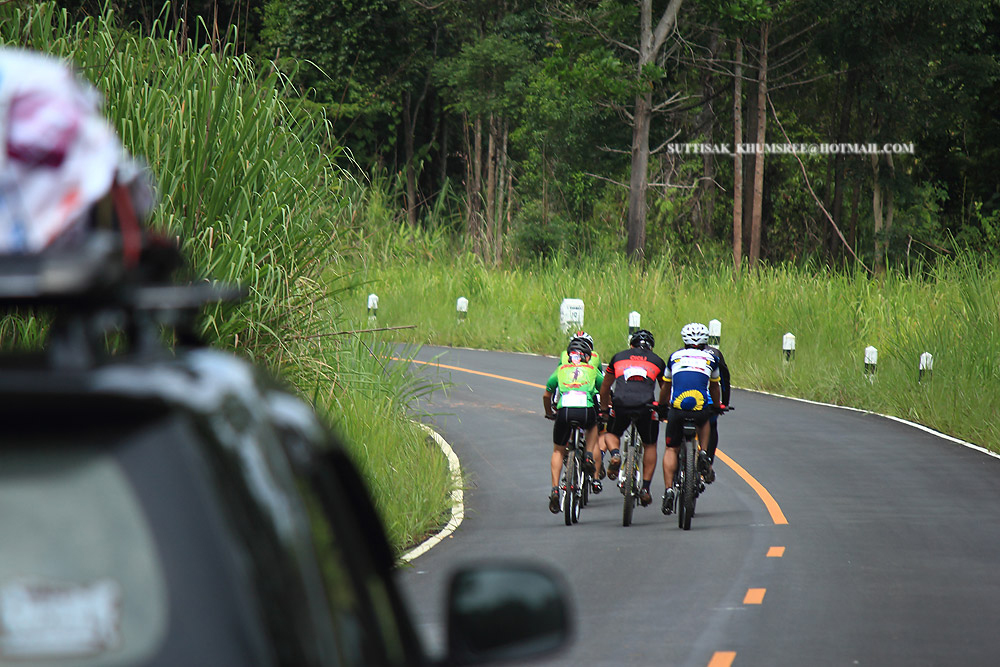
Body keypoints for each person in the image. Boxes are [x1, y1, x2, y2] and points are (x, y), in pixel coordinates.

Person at [598, 329, 667, 507]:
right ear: (651, 348)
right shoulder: (657, 361)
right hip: (646, 406)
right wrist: (662, 409)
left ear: (631, 345)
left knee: (611, 433)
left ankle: (615, 455)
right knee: (650, 444)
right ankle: (645, 488)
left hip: (621, 403)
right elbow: (666, 389)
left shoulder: (618, 357)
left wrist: (604, 410)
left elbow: (605, 387)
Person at [658, 322, 721, 515]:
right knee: (706, 419)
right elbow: (715, 387)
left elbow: (666, 387)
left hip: (678, 409)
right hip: (699, 408)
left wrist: (661, 406)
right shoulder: (711, 358)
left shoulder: (674, 357)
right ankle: (703, 453)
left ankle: (669, 490)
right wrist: (716, 406)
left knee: (671, 448)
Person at [543, 337, 602, 513]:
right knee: (593, 426)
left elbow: (547, 395)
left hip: (564, 412)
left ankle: (555, 489)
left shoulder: (561, 369)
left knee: (558, 451)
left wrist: (549, 412)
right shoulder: (591, 369)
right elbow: (605, 389)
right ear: (587, 357)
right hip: (586, 411)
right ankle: (589, 455)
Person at [705, 341, 731, 464]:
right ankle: (709, 462)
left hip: (682, 400)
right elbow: (725, 379)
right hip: (710, 402)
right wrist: (725, 403)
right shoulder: (715, 354)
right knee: (712, 425)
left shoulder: (679, 354)